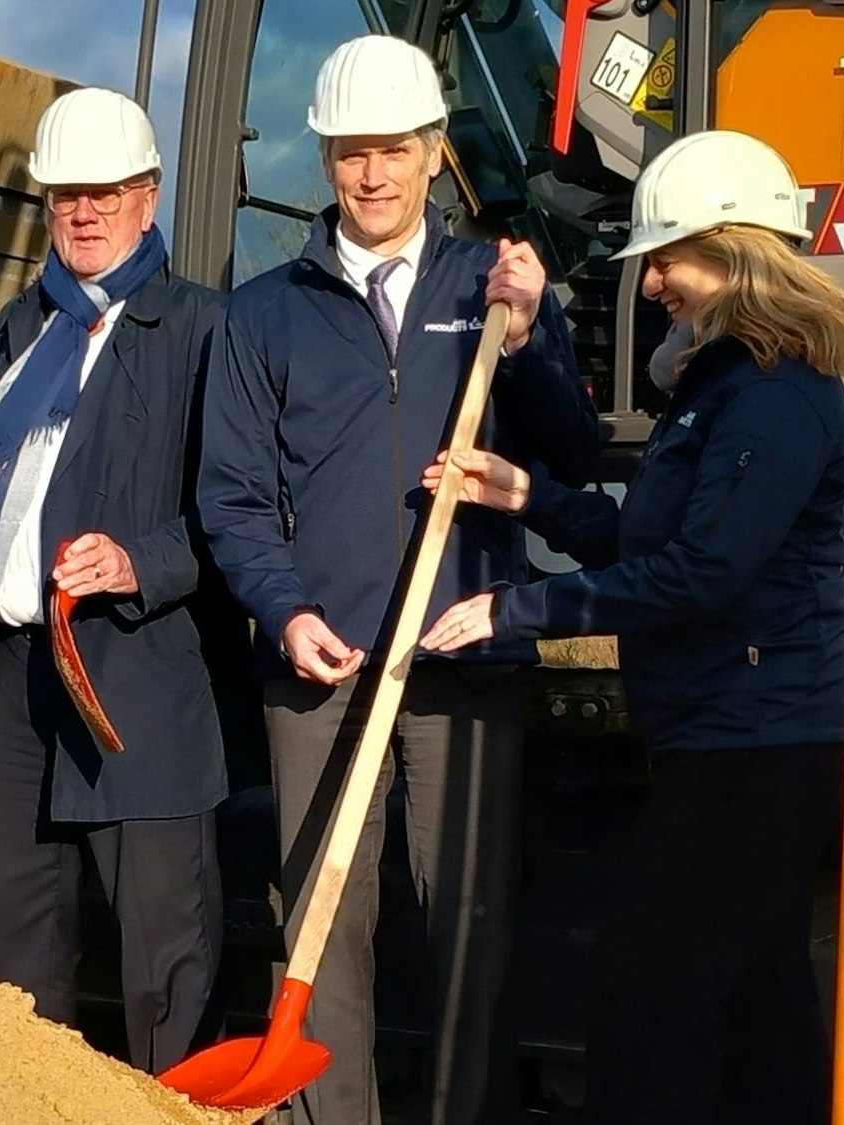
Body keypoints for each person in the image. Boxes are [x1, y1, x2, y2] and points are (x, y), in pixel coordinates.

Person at [197, 34, 599, 1125]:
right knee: (323, 936)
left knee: (470, 932)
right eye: (349, 152)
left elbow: (567, 450)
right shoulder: (263, 313)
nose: (370, 175)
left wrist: (529, 340)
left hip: (464, 658)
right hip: (322, 672)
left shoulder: (492, 287)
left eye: (392, 150)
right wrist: (285, 613)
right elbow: (232, 497)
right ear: (325, 158)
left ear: (432, 153)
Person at [420, 129, 844, 1125]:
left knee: (649, 1003)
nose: (650, 282)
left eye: (666, 258)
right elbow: (648, 539)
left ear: (733, 251)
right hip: (720, 733)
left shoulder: (774, 396)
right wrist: (528, 495)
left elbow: (702, 574)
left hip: (758, 742)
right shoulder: (719, 386)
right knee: (759, 1004)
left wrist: (516, 609)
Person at [0, 86, 240, 1075]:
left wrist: (138, 561)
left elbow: (237, 515)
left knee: (164, 958)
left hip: (138, 684)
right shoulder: (22, 326)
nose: (85, 212)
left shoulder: (203, 330)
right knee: (14, 956)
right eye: (67, 195)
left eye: (106, 193)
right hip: (21, 681)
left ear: (149, 197)